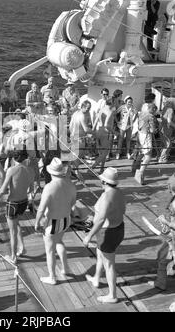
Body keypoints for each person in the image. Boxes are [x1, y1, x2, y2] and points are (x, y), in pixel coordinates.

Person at [83, 167, 125, 304]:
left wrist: (89, 235)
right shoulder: (119, 192)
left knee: (110, 265)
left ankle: (113, 295)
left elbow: (101, 220)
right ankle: (96, 278)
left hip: (108, 233)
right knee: (100, 254)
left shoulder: (107, 196)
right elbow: (122, 209)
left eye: (102, 180)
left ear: (105, 182)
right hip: (118, 228)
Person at [35, 158, 77, 285]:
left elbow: (41, 208)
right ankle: (66, 268)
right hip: (66, 220)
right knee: (59, 242)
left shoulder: (49, 187)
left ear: (50, 172)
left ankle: (52, 277)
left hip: (52, 222)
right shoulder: (70, 184)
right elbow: (73, 203)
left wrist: (37, 223)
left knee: (49, 251)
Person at [0, 149, 35, 264]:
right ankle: (22, 248)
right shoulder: (30, 170)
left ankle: (13, 256)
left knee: (12, 231)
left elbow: (3, 189)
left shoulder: (12, 170)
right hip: (24, 201)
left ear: (13, 159)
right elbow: (31, 189)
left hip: (13, 203)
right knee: (16, 224)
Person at [133, 103, 158, 185]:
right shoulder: (151, 116)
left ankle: (134, 168)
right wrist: (156, 130)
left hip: (140, 134)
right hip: (146, 135)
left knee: (141, 153)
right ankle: (140, 173)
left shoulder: (142, 113)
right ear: (153, 109)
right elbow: (152, 130)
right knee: (148, 156)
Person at [69, 100, 94, 180]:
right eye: (87, 108)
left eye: (89, 108)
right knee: (78, 156)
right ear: (82, 107)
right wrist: (95, 132)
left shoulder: (76, 113)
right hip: (79, 138)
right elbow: (86, 129)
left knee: (75, 156)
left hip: (74, 136)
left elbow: (70, 126)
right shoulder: (82, 116)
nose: (88, 110)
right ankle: (76, 172)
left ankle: (73, 170)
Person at [91, 99, 115, 173]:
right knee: (104, 153)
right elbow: (106, 125)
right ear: (112, 104)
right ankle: (91, 168)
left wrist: (93, 131)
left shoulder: (101, 109)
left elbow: (95, 122)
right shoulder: (110, 112)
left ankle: (102, 169)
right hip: (105, 133)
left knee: (102, 153)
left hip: (99, 131)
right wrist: (114, 132)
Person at [115, 96, 138, 160]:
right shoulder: (122, 107)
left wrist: (133, 121)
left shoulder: (133, 108)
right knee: (120, 139)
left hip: (130, 126)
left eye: (131, 102)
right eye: (128, 102)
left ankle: (127, 153)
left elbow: (136, 114)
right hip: (122, 126)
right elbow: (115, 114)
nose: (130, 103)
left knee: (128, 140)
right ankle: (118, 153)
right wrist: (117, 121)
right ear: (125, 102)